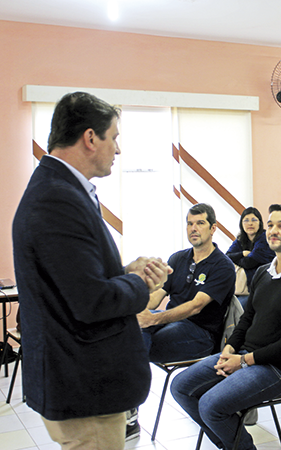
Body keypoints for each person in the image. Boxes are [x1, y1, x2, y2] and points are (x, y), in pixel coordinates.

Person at [12, 92, 171, 449]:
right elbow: (91, 301)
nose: (118, 150)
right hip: (85, 383)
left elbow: (73, 280)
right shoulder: (57, 198)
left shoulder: (59, 188)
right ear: (90, 138)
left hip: (76, 377)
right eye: (114, 137)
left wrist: (126, 270)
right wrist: (140, 282)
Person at [170, 204, 281, 450]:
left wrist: (243, 361)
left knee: (210, 406)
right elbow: (247, 318)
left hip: (280, 369)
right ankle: (231, 445)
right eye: (270, 225)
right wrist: (230, 348)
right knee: (180, 387)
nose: (273, 231)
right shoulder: (264, 272)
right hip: (245, 355)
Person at [138, 203, 236, 363]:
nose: (193, 228)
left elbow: (196, 306)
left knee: (140, 341)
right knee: (130, 326)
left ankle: (130, 376)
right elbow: (157, 295)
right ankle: (128, 375)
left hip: (201, 333)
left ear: (213, 228)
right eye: (190, 224)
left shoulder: (223, 266)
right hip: (172, 321)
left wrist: (153, 319)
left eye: (200, 223)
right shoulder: (177, 259)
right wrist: (139, 312)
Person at [226, 207, 275, 307]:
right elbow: (227, 257)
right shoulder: (240, 239)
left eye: (254, 220)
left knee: (238, 309)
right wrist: (243, 254)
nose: (250, 224)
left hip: (261, 286)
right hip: (241, 287)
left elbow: (249, 262)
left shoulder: (264, 238)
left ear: (260, 223)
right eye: (246, 220)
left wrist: (237, 259)